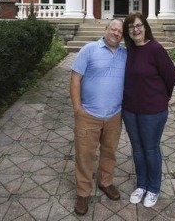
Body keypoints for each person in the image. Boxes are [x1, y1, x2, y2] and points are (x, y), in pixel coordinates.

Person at [121, 12, 175, 208]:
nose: (135, 30)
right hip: (130, 109)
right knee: (137, 149)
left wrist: (163, 97)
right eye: (131, 27)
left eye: (138, 25)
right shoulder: (128, 50)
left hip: (152, 111)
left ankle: (153, 188)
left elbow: (172, 77)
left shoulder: (155, 49)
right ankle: (141, 185)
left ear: (145, 27)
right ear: (127, 32)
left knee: (151, 149)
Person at [70, 18, 127, 215]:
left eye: (120, 31)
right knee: (85, 156)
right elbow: (75, 78)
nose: (116, 33)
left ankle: (106, 182)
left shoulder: (125, 54)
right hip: (89, 114)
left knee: (109, 152)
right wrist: (78, 108)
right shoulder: (89, 49)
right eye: (113, 29)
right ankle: (83, 193)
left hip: (114, 115)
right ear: (105, 29)